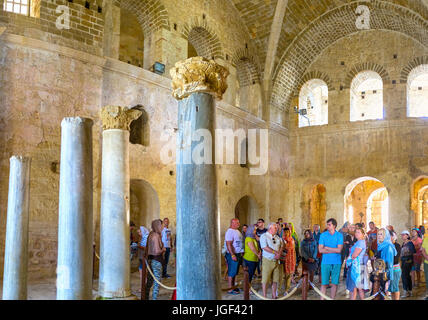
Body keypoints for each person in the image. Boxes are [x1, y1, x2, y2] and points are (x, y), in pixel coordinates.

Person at [318, 218, 343, 300]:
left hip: (336, 262)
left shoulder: (339, 235)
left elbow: (339, 250)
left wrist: (327, 248)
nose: (327, 226)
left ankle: (332, 299)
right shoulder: (323, 235)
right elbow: (320, 250)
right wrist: (334, 250)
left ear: (334, 226)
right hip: (325, 262)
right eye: (327, 224)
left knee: (334, 283)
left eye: (329, 225)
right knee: (324, 283)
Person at [260, 222, 282, 299]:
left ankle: (274, 295)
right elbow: (264, 247)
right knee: (265, 280)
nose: (277, 229)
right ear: (270, 228)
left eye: (277, 227)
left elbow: (281, 245)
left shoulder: (277, 237)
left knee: (275, 279)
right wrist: (275, 252)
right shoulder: (264, 236)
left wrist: (279, 253)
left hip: (276, 261)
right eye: (275, 228)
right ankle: (264, 296)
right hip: (267, 260)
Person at [145, 219, 165, 300]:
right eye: (160, 225)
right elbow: (157, 251)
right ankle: (154, 298)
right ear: (157, 226)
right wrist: (163, 249)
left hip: (150, 260)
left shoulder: (151, 234)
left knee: (149, 282)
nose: (162, 227)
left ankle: (146, 297)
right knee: (157, 283)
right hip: (156, 261)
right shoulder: (156, 236)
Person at [346, 227, 368, 300]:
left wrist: (348, 260)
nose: (356, 234)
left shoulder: (361, 242)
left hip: (356, 267)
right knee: (358, 288)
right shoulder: (359, 242)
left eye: (359, 232)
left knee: (354, 288)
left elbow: (354, 255)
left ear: (363, 234)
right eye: (356, 232)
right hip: (357, 265)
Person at [225, 218, 244, 295]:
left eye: (238, 222)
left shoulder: (237, 231)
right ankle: (230, 289)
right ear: (232, 223)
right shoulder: (229, 231)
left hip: (238, 254)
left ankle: (233, 287)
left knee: (235, 272)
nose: (238, 224)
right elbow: (228, 244)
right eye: (237, 223)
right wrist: (232, 254)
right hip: (232, 254)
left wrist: (241, 252)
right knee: (231, 272)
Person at [375, 228, 397, 295]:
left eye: (381, 234)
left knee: (385, 293)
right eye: (378, 234)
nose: (379, 236)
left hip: (385, 273)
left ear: (386, 236)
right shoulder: (380, 245)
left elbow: (389, 264)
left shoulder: (388, 246)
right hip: (380, 271)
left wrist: (388, 277)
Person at [400, 230, 416, 298]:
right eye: (402, 235)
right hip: (403, 261)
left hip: (408, 261)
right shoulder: (404, 243)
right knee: (406, 276)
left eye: (404, 235)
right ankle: (409, 290)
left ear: (408, 235)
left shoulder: (410, 243)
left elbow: (413, 251)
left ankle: (406, 291)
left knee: (404, 276)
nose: (402, 236)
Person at [280, 227, 295, 295]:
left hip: (290, 259)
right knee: (282, 274)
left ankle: (287, 289)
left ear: (289, 232)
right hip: (282, 259)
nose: (286, 233)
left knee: (289, 274)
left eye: (287, 232)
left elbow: (292, 249)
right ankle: (281, 288)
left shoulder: (291, 240)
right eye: (285, 232)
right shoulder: (281, 240)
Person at [389, 231, 402, 300]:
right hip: (389, 269)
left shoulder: (397, 246)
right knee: (391, 288)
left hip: (394, 269)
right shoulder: (387, 245)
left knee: (395, 287)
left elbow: (395, 258)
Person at [422, 231, 428, 300]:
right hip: (427, 262)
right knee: (427, 279)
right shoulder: (425, 239)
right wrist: (426, 257)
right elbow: (423, 250)